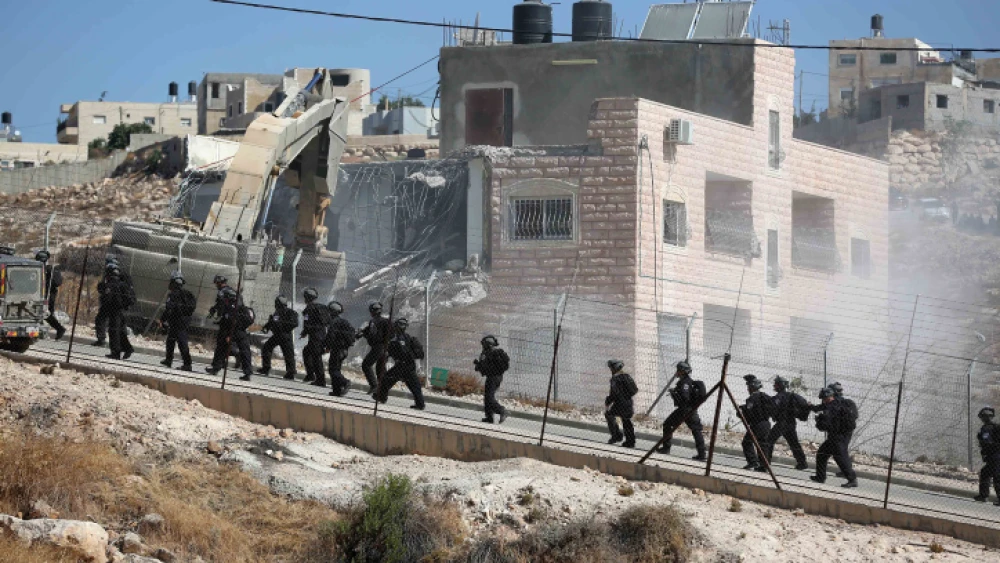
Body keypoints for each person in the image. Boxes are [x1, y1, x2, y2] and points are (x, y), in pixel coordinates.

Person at [657, 360, 707, 460]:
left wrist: (674, 394)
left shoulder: (685, 383)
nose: (677, 372)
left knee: (668, 424)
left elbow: (685, 398)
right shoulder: (687, 381)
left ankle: (666, 448)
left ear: (683, 371)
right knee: (696, 430)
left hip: (685, 410)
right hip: (690, 410)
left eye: (678, 370)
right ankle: (702, 454)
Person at [811, 387, 859, 488]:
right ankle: (820, 477)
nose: (823, 400)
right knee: (822, 454)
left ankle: (852, 479)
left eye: (824, 398)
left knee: (840, 457)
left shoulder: (831, 408)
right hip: (842, 435)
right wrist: (813, 408)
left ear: (828, 397)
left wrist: (819, 421)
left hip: (838, 437)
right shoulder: (838, 402)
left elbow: (826, 426)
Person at [374, 318, 425, 410]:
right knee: (414, 385)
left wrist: (389, 356)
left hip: (402, 365)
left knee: (387, 379)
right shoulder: (407, 337)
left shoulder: (398, 338)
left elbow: (400, 351)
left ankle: (381, 397)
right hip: (409, 365)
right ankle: (420, 404)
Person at [206, 287, 254, 381]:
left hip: (231, 331)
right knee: (245, 351)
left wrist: (228, 335)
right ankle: (247, 373)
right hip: (242, 332)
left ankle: (216, 368)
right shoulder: (240, 306)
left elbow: (229, 321)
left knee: (221, 348)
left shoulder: (230, 307)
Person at [763, 376, 810, 471]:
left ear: (780, 385)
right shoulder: (791, 395)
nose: (774, 386)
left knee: (769, 441)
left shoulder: (779, 396)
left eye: (776, 384)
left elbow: (773, 405)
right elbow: (805, 403)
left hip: (782, 423)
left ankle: (766, 463)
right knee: (794, 443)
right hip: (791, 423)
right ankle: (802, 463)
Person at [159, 272, 196, 371]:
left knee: (181, 343)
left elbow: (168, 309)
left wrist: (162, 319)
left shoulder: (173, 295)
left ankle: (187, 364)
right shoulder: (188, 294)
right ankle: (168, 360)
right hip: (185, 320)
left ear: (174, 283)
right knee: (171, 340)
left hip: (176, 321)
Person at [257, 296, 299, 380]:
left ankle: (289, 372)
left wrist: (282, 326)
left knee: (287, 353)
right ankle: (267, 368)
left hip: (284, 335)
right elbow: (272, 322)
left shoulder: (288, 312)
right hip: (279, 335)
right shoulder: (278, 312)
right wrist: (266, 327)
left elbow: (294, 323)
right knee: (269, 348)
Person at [740, 375, 772, 471]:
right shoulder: (765, 396)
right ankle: (764, 466)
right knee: (762, 444)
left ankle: (753, 462)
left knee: (747, 442)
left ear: (753, 387)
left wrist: (741, 413)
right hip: (766, 424)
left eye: (749, 387)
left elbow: (749, 412)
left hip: (757, 424)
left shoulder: (752, 398)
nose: (748, 389)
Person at [474, 335, 510, 424]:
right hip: (495, 377)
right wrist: (479, 366)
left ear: (487, 345)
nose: (483, 346)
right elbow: (486, 367)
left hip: (493, 378)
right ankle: (489, 417)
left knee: (489, 397)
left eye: (484, 344)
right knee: (487, 397)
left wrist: (479, 366)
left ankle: (502, 411)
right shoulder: (491, 353)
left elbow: (485, 367)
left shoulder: (489, 353)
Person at [358, 302, 391, 395]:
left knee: (366, 365)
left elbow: (374, 334)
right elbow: (369, 332)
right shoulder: (376, 321)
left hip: (380, 347)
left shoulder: (379, 321)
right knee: (380, 369)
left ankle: (374, 386)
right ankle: (382, 389)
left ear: (373, 311)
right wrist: (362, 333)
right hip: (381, 347)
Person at [103, 264, 135, 361]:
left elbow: (108, 298)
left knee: (113, 331)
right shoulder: (121, 283)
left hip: (115, 311)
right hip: (121, 311)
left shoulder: (112, 284)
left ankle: (116, 353)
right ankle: (128, 348)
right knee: (120, 331)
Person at [604, 359, 638, 448]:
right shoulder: (625, 377)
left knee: (611, 415)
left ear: (615, 368)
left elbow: (613, 393)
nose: (610, 370)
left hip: (621, 403)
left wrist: (609, 401)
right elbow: (634, 390)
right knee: (625, 421)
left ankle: (618, 436)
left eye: (611, 368)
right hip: (626, 403)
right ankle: (629, 441)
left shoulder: (616, 379)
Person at [325, 301, 355, 397]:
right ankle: (336, 391)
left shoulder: (334, 322)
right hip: (344, 350)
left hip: (337, 349)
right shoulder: (344, 321)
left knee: (333, 370)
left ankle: (345, 382)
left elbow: (331, 336)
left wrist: (327, 347)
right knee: (336, 369)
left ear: (332, 312)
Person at [300, 287, 330, 386]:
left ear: (307, 297)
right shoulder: (319, 308)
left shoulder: (308, 309)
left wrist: (304, 332)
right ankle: (311, 375)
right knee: (307, 352)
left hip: (315, 337)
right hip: (321, 334)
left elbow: (307, 323)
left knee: (316, 357)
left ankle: (320, 380)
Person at [35, 250, 65, 341]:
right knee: (42, 313)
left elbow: (56, 283)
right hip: (40, 294)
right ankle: (59, 329)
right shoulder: (40, 269)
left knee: (46, 313)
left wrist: (47, 283)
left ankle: (59, 329)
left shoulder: (49, 270)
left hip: (48, 295)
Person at [975, 407, 1000, 504]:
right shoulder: (995, 427)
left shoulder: (987, 428)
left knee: (997, 477)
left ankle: (985, 496)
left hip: (995, 456)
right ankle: (983, 495)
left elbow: (987, 442)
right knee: (985, 473)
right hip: (994, 456)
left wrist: (982, 442)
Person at [92, 255, 119, 346]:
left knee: (101, 319)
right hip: (112, 301)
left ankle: (102, 339)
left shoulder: (111, 271)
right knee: (108, 320)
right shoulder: (115, 272)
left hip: (109, 301)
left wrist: (103, 289)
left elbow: (108, 286)